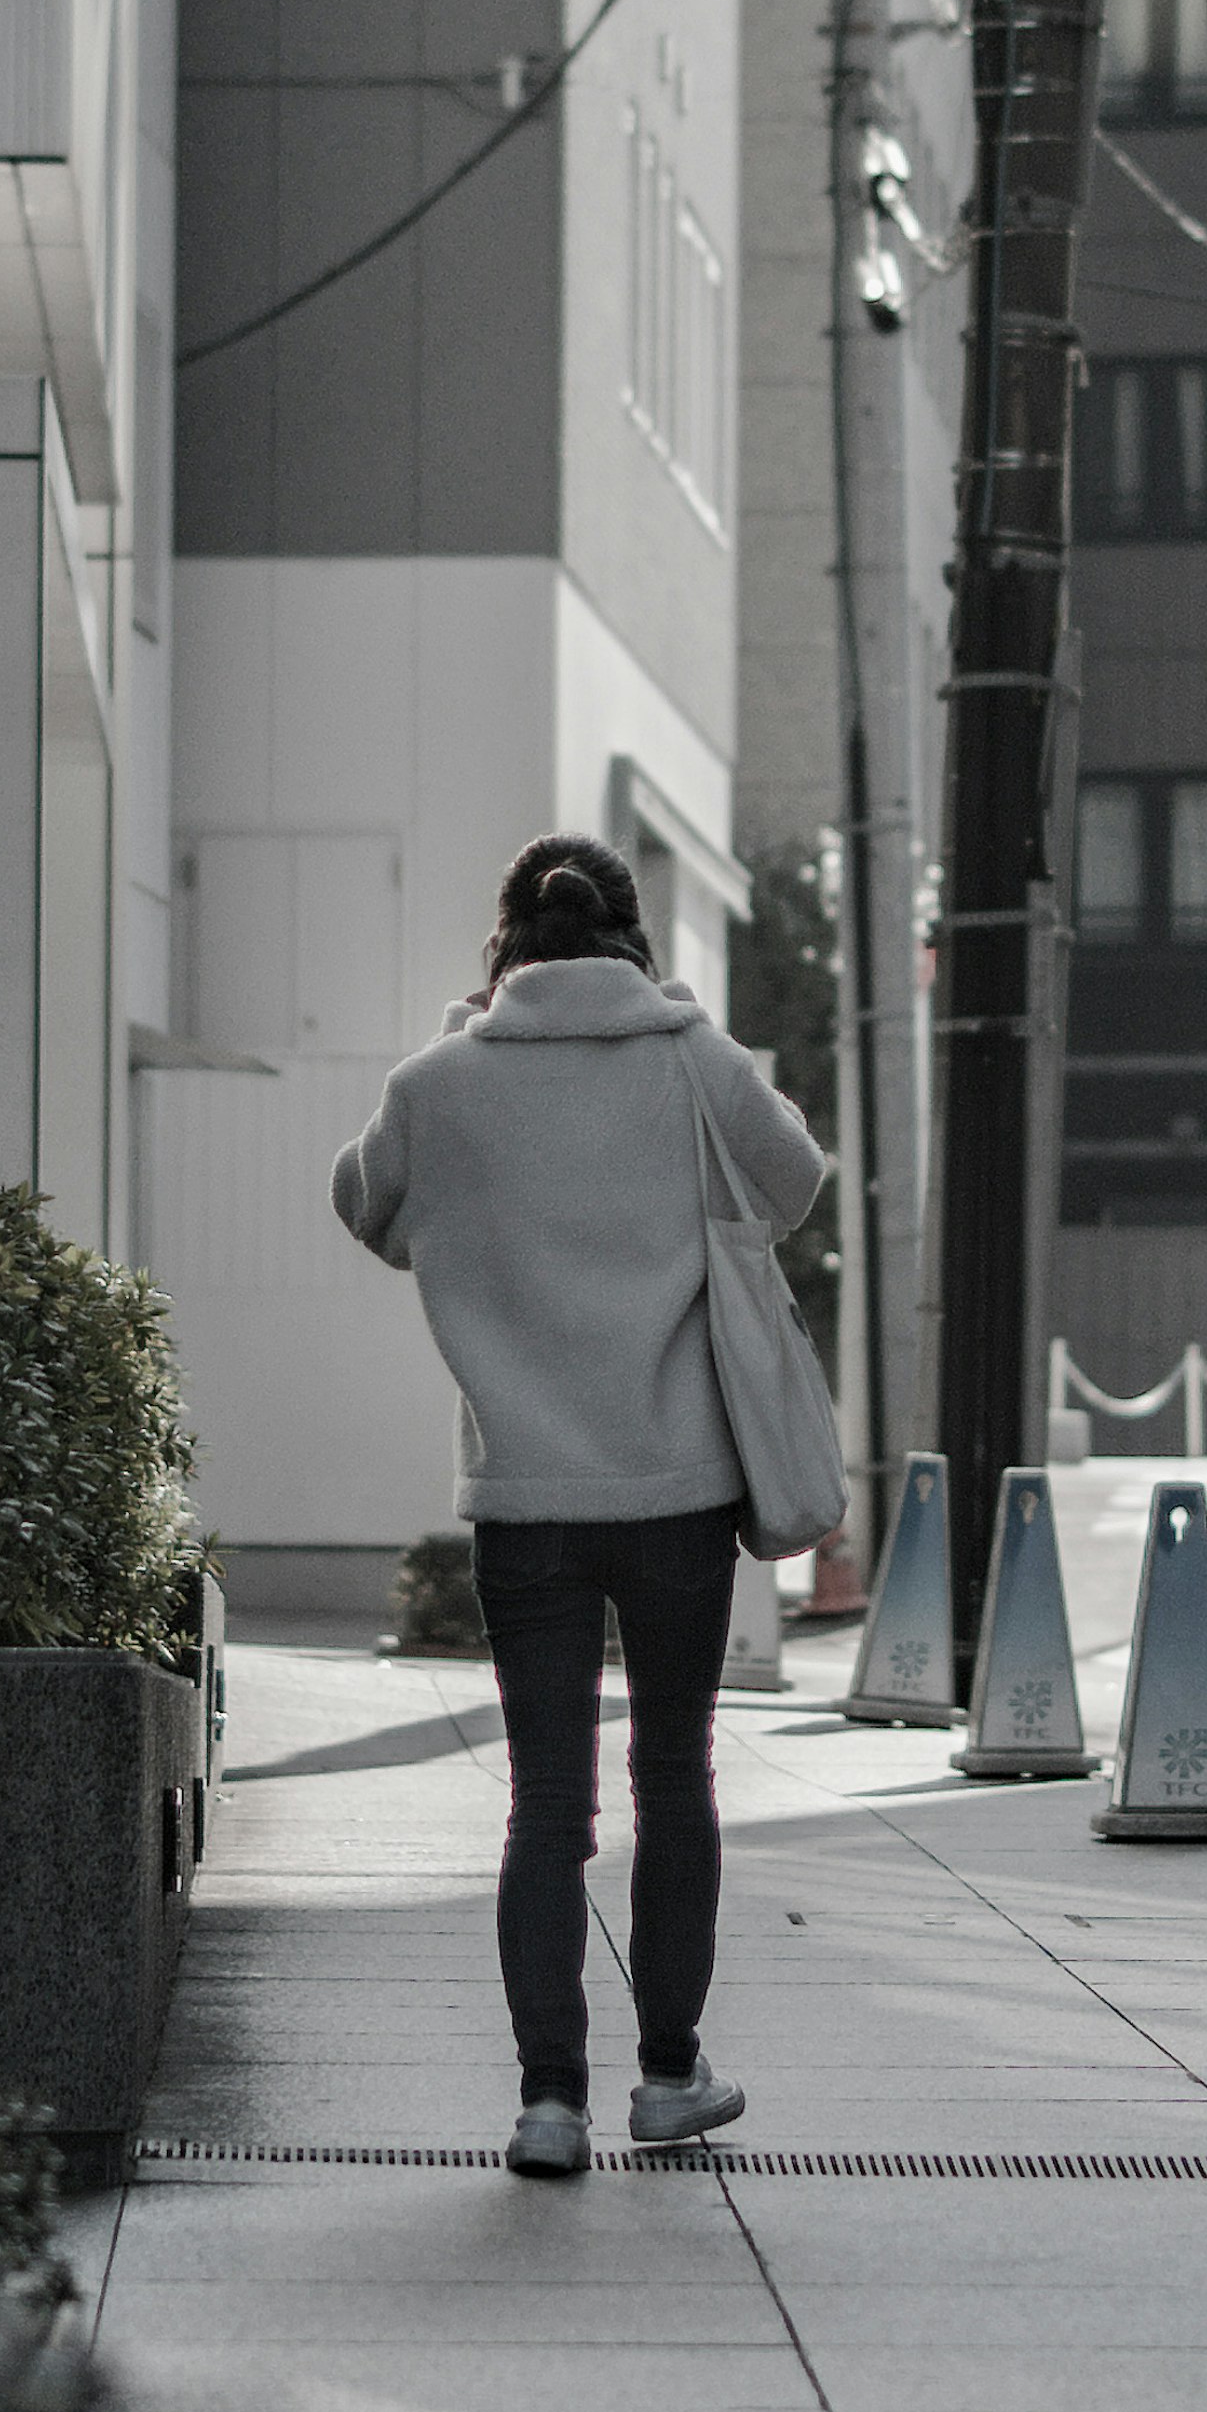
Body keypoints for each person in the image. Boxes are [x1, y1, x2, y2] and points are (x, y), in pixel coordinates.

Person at [332, 829, 824, 2179]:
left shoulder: (440, 1080)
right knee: (676, 1778)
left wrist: (463, 1036)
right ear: (629, 930)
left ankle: (549, 2100)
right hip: (679, 1492)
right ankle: (669, 2077)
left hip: (528, 1498)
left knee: (547, 1803)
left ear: (508, 939)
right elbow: (796, 1183)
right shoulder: (691, 1056)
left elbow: (363, 1203)